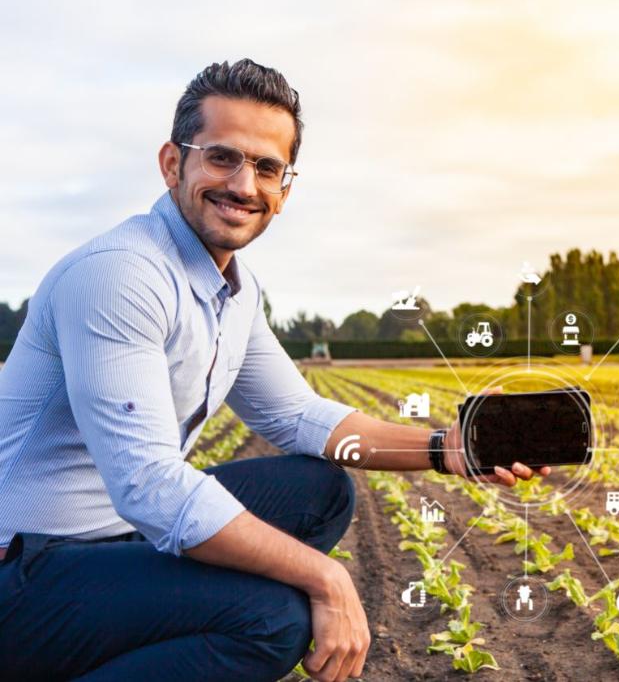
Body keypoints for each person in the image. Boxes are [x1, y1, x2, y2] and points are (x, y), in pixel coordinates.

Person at [0, 58, 551, 682]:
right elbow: (149, 485)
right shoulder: (119, 275)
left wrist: (445, 447)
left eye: (266, 167)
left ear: (284, 191)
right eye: (222, 157)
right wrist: (326, 577)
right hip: (22, 571)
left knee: (320, 492)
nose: (244, 184)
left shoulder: (231, 290)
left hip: (113, 540)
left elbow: (297, 415)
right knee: (274, 619)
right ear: (172, 163)